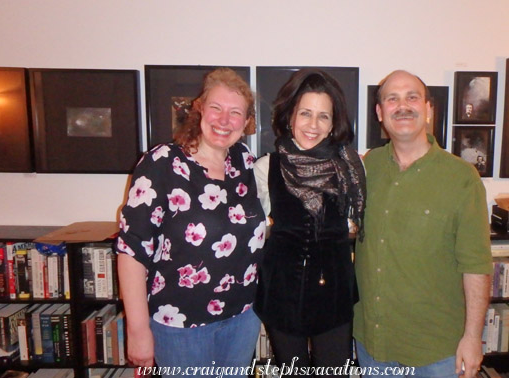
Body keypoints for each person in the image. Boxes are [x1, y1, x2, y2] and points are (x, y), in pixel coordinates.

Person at [115, 68, 266, 375]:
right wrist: (137, 330)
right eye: (216, 108)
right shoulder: (161, 163)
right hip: (180, 326)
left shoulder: (246, 163)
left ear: (246, 121)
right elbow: (131, 251)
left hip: (242, 318)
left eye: (235, 112)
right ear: (199, 109)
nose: (224, 121)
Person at [353, 70, 492, 378]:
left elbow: (477, 264)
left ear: (429, 109)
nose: (403, 106)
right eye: (392, 99)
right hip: (373, 344)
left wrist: (472, 337)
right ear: (380, 113)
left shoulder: (461, 178)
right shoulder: (366, 167)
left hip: (437, 353)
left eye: (412, 97)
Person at [253, 68, 365, 376]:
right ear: (290, 117)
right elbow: (257, 229)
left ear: (333, 123)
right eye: (305, 113)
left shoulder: (351, 169)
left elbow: (356, 224)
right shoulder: (266, 168)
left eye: (323, 116)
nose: (313, 125)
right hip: (282, 292)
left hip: (334, 293)